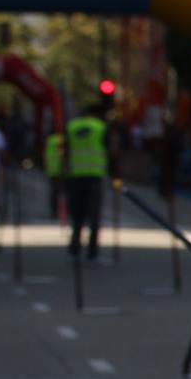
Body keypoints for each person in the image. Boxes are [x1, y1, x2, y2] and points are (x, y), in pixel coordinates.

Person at [64, 100, 111, 261]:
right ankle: (92, 249)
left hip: (76, 174)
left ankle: (75, 244)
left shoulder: (72, 126)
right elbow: (110, 150)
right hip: (95, 175)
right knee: (94, 213)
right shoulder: (101, 127)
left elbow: (66, 150)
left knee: (77, 212)